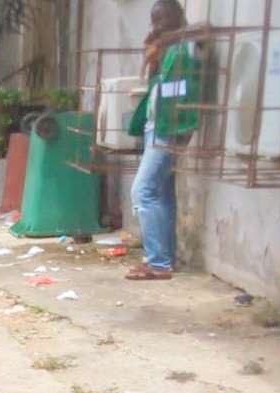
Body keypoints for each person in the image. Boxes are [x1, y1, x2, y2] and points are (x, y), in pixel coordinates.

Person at [126, 0, 201, 281]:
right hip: (158, 126)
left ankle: (158, 262)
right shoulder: (171, 48)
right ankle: (165, 259)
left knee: (142, 191)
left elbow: (180, 92)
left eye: (160, 19)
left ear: (174, 18)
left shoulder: (183, 48)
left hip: (168, 128)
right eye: (153, 19)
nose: (156, 25)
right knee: (162, 193)